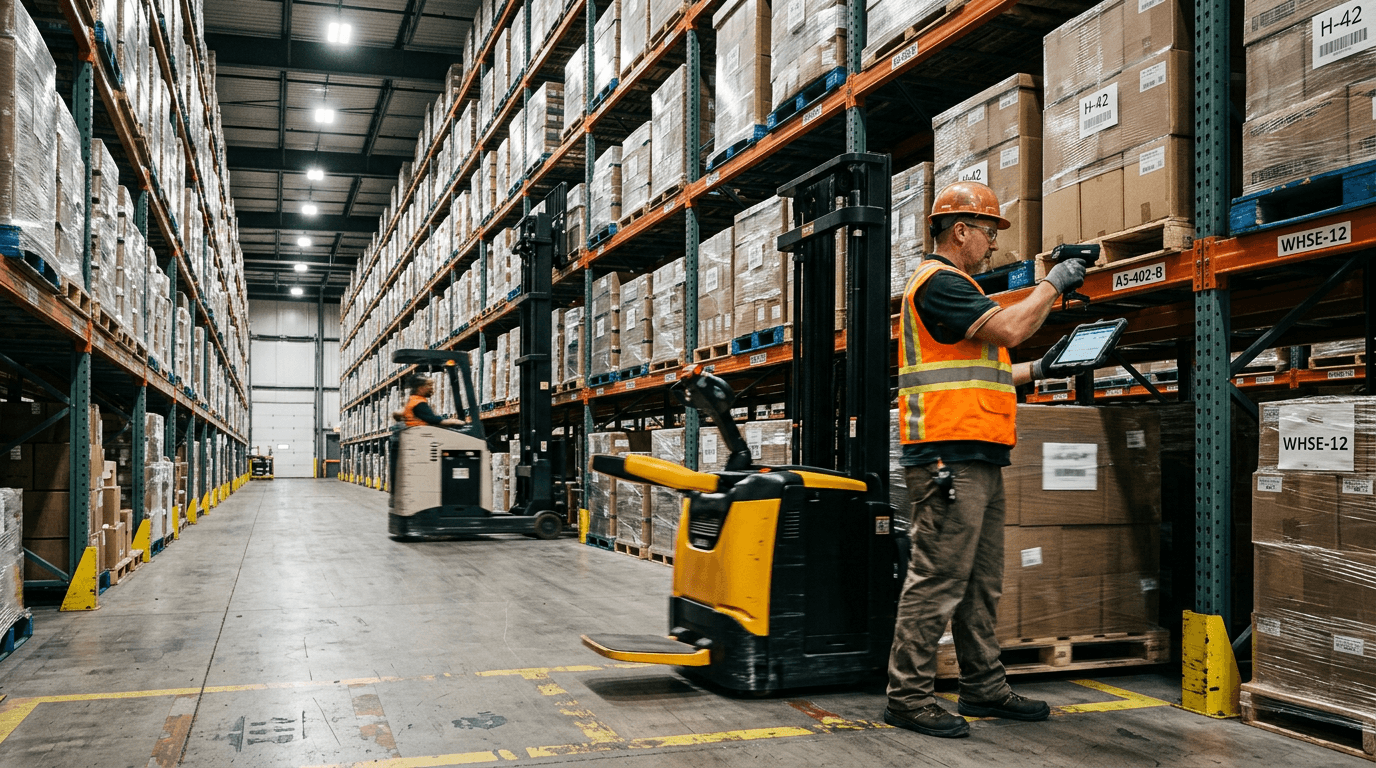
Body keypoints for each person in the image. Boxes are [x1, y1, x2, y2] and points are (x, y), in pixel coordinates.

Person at [884, 180, 1089, 738]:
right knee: (937, 578)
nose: (995, 245)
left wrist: (1042, 370)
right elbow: (1012, 327)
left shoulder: (961, 290)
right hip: (948, 457)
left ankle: (983, 685)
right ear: (961, 231)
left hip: (979, 454)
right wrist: (1053, 284)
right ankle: (907, 696)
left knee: (980, 582)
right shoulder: (938, 284)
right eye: (991, 233)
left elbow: (993, 364)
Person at [393, 374, 466, 428]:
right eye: (429, 385)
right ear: (420, 388)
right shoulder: (418, 403)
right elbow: (432, 420)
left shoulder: (413, 399)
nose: (432, 388)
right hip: (421, 434)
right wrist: (453, 421)